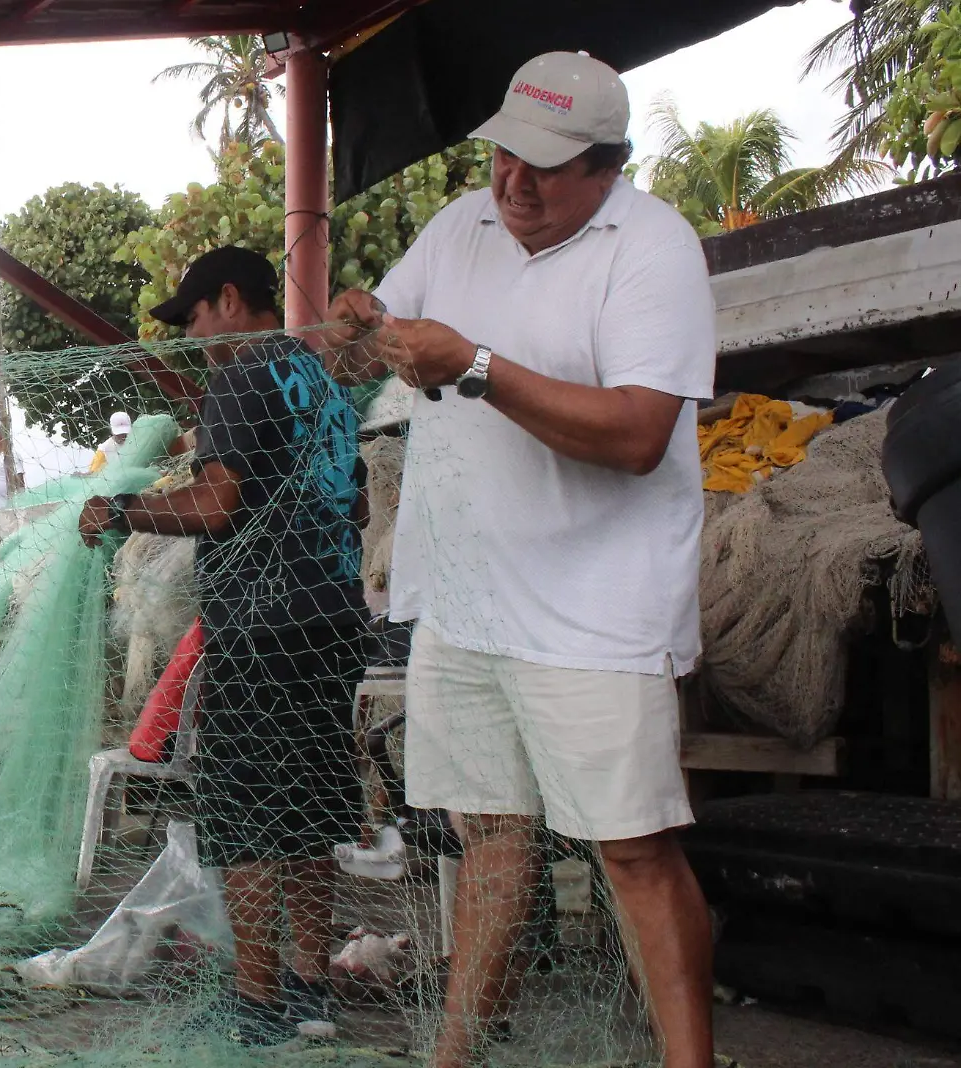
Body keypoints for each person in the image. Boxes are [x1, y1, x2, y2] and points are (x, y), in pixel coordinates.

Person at [317, 51, 717, 1068]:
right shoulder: (462, 225)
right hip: (465, 600)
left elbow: (636, 436)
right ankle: (456, 1054)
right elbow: (368, 349)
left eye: (543, 167)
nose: (513, 185)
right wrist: (356, 326)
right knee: (488, 835)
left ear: (608, 167)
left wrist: (480, 369)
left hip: (595, 610)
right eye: (502, 156)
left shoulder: (654, 249)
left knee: (631, 851)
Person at [78, 246, 367, 1045]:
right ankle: (311, 991)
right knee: (311, 811)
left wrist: (124, 510)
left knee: (247, 816)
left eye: (197, 317)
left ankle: (255, 1000)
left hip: (262, 629)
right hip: (334, 620)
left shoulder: (241, 377)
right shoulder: (328, 389)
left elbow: (215, 504)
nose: (198, 337)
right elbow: (360, 505)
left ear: (230, 301)